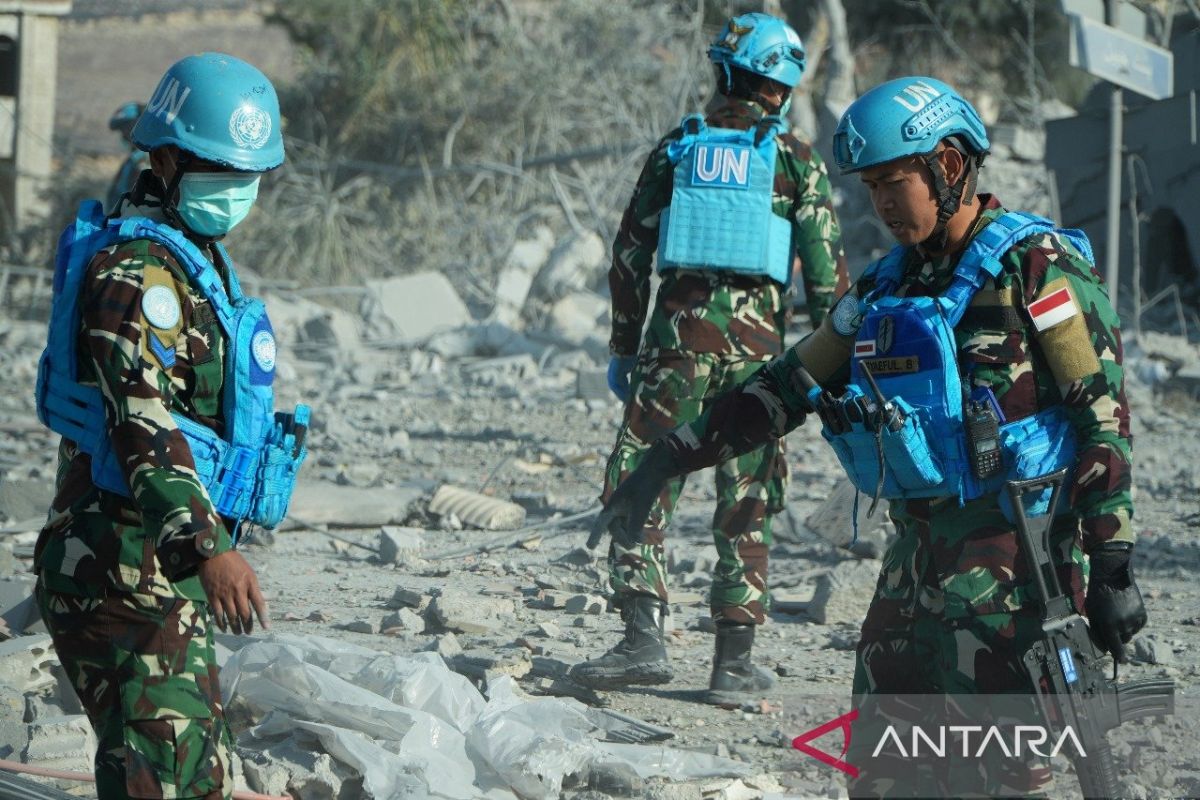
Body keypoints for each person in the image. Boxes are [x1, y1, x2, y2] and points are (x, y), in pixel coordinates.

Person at [593, 76, 1145, 795]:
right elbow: (784, 388)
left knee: (1002, 777)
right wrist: (664, 461)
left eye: (894, 183)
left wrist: (1113, 564)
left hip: (1016, 575)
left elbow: (1100, 414)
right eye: (871, 187)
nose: (881, 203)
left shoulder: (1032, 268)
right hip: (911, 576)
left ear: (948, 167)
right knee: (882, 776)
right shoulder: (883, 291)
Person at [34, 53, 309, 800]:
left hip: (145, 561)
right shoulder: (135, 276)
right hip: (117, 564)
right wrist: (205, 548)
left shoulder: (191, 261)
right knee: (184, 776)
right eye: (220, 169)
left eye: (247, 175)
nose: (237, 190)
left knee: (150, 770)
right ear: (164, 160)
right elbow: (141, 420)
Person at [570, 12, 849, 705]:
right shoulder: (796, 160)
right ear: (783, 91)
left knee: (642, 485)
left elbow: (630, 257)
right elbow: (828, 286)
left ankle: (641, 638)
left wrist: (623, 347)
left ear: (723, 73)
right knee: (747, 500)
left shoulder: (678, 149)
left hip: (674, 351)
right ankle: (732, 662)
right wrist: (828, 375)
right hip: (759, 362)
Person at [105, 101, 150, 214]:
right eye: (122, 129)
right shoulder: (131, 161)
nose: (125, 134)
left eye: (129, 127)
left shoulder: (153, 162)